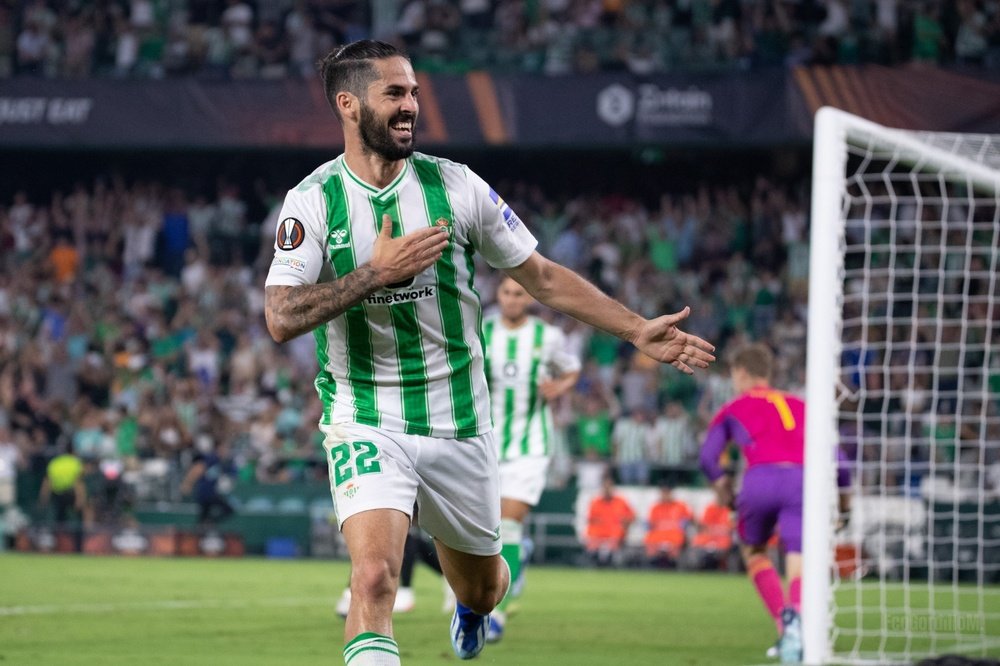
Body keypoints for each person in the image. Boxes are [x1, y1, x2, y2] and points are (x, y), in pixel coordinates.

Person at [263, 39, 715, 665]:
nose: (410, 106)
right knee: (372, 579)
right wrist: (373, 274)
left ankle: (473, 609)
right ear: (348, 103)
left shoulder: (456, 186)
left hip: (459, 420)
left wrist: (636, 328)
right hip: (364, 414)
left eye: (414, 92)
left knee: (483, 584)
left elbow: (543, 277)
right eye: (394, 93)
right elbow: (281, 316)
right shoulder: (311, 202)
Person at [698, 343, 849, 663]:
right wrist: (845, 505)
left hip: (759, 481)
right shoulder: (803, 405)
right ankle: (797, 623)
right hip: (803, 483)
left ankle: (785, 626)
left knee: (753, 551)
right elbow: (841, 463)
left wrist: (723, 488)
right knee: (800, 557)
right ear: (768, 373)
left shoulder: (733, 408)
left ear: (740, 373)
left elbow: (708, 458)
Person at [481, 276, 581, 642]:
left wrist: (559, 386)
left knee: (508, 525)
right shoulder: (482, 328)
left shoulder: (547, 337)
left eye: (519, 293)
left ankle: (498, 615)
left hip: (531, 446)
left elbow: (572, 369)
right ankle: (513, 563)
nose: (511, 299)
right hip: (487, 444)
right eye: (506, 292)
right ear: (499, 295)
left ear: (529, 298)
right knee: (487, 530)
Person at [584, 475, 636, 567]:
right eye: (605, 486)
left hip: (614, 532)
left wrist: (626, 523)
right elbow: (590, 519)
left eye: (609, 486)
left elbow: (632, 516)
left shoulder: (621, 501)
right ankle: (594, 561)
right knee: (593, 538)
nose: (607, 489)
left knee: (613, 539)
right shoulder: (596, 502)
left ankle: (610, 561)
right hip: (599, 532)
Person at [642, 484, 693, 568]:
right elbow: (650, 523)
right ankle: (652, 562)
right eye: (663, 492)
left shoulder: (680, 506)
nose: (665, 495)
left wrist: (684, 525)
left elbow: (688, 519)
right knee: (650, 539)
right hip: (658, 534)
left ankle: (674, 563)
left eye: (667, 492)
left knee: (677, 539)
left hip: (674, 534)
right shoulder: (656, 507)